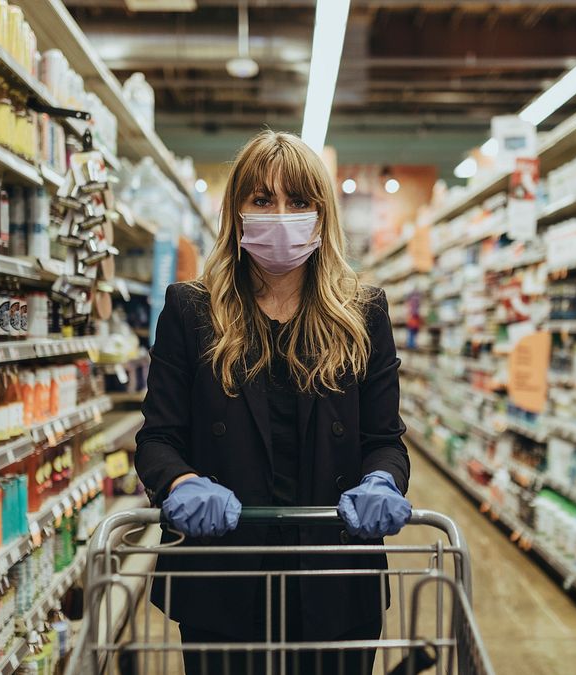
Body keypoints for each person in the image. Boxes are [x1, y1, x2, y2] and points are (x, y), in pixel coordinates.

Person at [135, 130, 411, 675]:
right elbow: (158, 438)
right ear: (236, 213)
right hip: (224, 581)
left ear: (322, 215)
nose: (280, 215)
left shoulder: (363, 313)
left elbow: (384, 442)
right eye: (261, 200)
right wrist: (180, 482)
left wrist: (383, 480)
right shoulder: (191, 311)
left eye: (298, 201)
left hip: (335, 582)